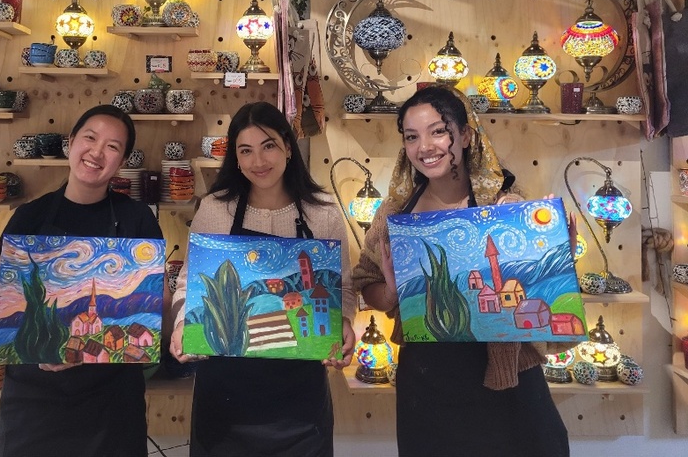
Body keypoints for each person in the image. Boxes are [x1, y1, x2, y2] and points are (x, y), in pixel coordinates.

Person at [352, 85, 570, 457]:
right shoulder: (395, 213)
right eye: (412, 136)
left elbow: (536, 291)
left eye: (439, 131)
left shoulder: (506, 204)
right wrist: (392, 289)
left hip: (508, 381)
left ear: (466, 135)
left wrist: (558, 245)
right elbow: (367, 284)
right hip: (428, 385)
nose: (425, 147)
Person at [169, 101, 356, 457]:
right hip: (224, 396)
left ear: (288, 146)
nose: (259, 161)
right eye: (246, 151)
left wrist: (344, 322)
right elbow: (187, 285)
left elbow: (342, 287)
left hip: (300, 400)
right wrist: (182, 323)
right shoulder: (214, 209)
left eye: (268, 145)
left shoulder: (324, 213)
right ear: (236, 159)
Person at [0, 104, 163, 457]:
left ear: (121, 162)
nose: (97, 152)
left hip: (111, 405)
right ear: (71, 142)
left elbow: (158, 309)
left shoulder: (138, 220)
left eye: (112, 147)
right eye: (90, 138)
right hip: (34, 403)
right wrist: (40, 344)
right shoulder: (28, 217)